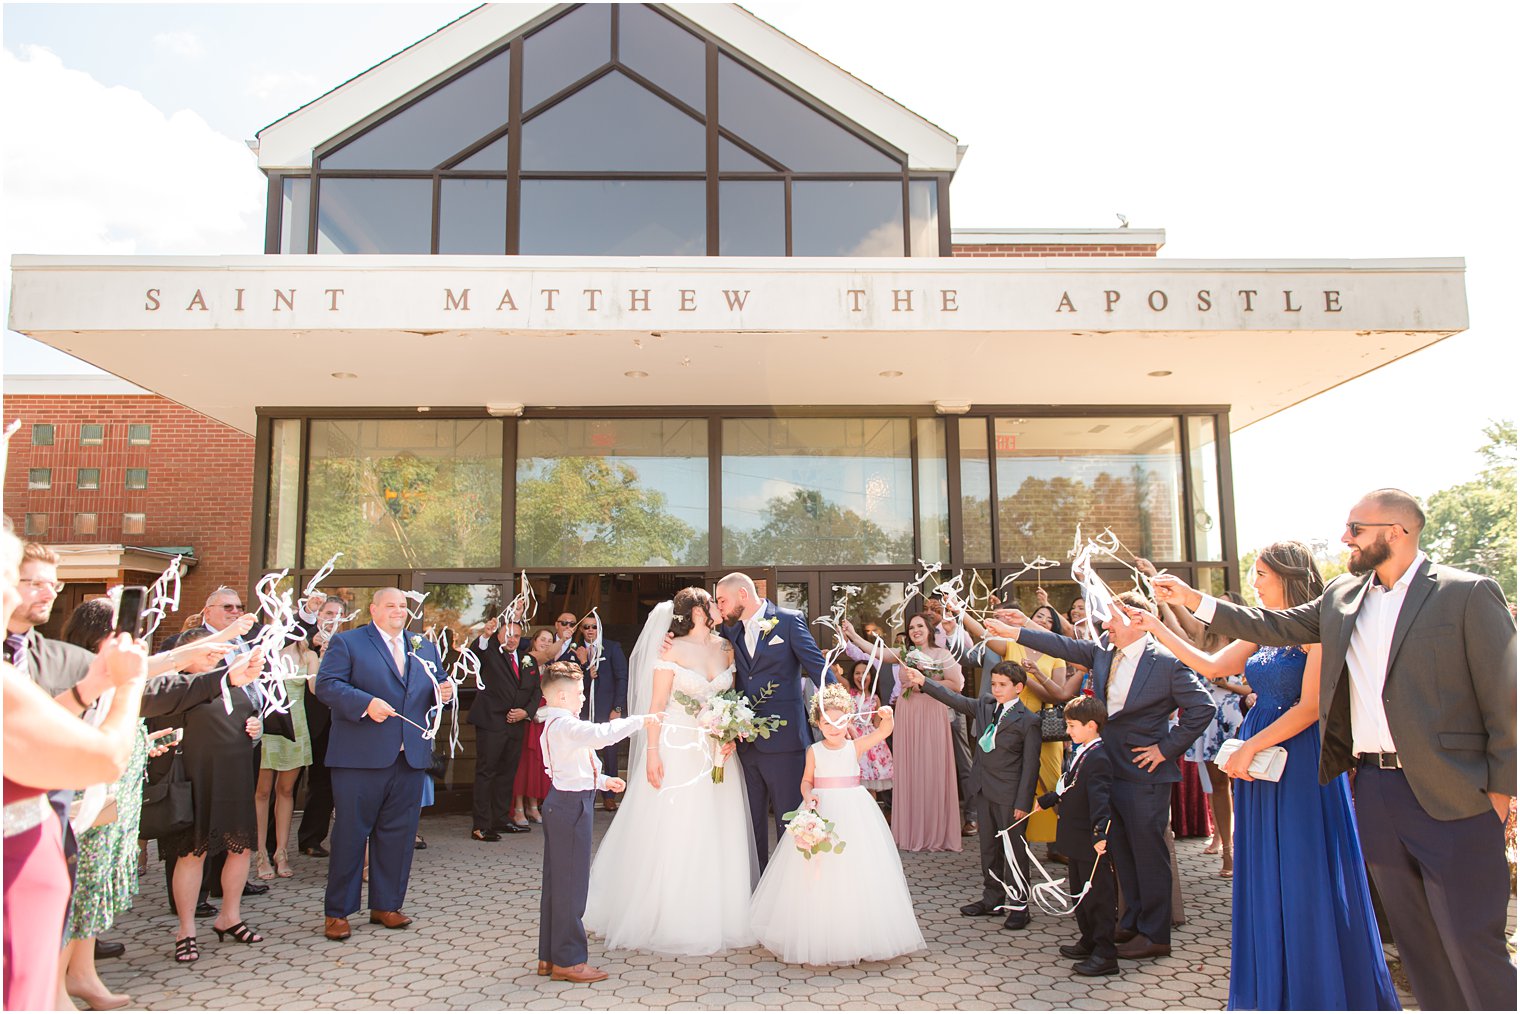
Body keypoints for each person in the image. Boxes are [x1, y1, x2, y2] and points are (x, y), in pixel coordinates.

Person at [1156, 488, 1516, 1011]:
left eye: (1356, 528)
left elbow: (1506, 708)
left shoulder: (1468, 592)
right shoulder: (1343, 597)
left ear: (1398, 531)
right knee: (1418, 945)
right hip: (1374, 789)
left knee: (1469, 943)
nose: (1345, 538)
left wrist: (1500, 801)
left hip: (1454, 795)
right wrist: (1192, 599)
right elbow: (1268, 625)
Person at [1138, 542, 1399, 1009]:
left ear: (1287, 576)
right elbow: (1212, 666)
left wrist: (1248, 748)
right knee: (1266, 872)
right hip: (1258, 760)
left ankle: (1317, 989)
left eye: (1261, 573)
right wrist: (1156, 624)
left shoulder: (1318, 626)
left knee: (1302, 869)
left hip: (1296, 758)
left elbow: (1312, 707)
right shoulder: (1264, 628)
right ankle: (1273, 988)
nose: (1254, 582)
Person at [984, 592, 1213, 960]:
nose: (1105, 625)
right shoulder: (1104, 650)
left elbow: (1203, 706)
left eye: (1112, 620)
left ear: (1138, 621)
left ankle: (1154, 934)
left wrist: (1166, 748)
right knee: (1120, 852)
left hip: (1145, 774)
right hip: (1107, 770)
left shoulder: (1168, 663)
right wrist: (1019, 630)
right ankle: (1131, 921)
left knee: (1147, 854)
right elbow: (1064, 644)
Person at [2, 525, 148, 1012]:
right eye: (20, 578)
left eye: (55, 584)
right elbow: (105, 756)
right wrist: (126, 688)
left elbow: (34, 729)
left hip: (41, 852)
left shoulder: (55, 659)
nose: (46, 591)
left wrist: (92, 688)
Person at [585, 588, 759, 955]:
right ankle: (672, 914)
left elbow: (732, 698)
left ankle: (721, 912)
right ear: (697, 611)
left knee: (719, 827)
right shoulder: (671, 650)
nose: (718, 606)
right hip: (678, 750)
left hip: (718, 752)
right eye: (712, 602)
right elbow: (657, 706)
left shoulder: (727, 647)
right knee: (679, 826)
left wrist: (731, 733)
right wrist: (651, 752)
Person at [749, 685, 924, 965]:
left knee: (855, 868)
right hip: (822, 811)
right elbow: (807, 780)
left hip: (854, 811)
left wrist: (887, 715)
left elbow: (882, 732)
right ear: (819, 723)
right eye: (828, 723)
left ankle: (857, 933)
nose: (834, 728)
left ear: (850, 721)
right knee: (817, 868)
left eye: (840, 722)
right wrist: (808, 797)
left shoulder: (855, 746)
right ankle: (818, 929)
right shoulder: (813, 750)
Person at [315, 588, 453, 942]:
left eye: (403, 606)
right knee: (350, 834)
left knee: (399, 835)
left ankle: (387, 905)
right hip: (360, 757)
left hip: (409, 756)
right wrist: (365, 703)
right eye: (390, 605)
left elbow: (430, 689)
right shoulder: (349, 643)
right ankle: (339, 911)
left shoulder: (422, 645)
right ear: (373, 609)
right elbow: (326, 686)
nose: (398, 611)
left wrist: (443, 690)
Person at [534, 661, 659, 983]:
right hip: (570, 807)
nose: (583, 698)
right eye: (578, 693)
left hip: (566, 800)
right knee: (571, 887)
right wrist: (641, 720)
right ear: (561, 696)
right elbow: (601, 735)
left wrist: (604, 781)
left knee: (558, 884)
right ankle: (570, 960)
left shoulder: (559, 724)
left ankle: (550, 956)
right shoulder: (565, 725)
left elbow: (572, 766)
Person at [905, 659, 1040, 931]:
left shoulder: (1029, 721)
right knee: (989, 849)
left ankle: (1019, 904)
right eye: (994, 684)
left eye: (1003, 685)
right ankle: (993, 898)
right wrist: (923, 681)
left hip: (1010, 795)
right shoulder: (986, 707)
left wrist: (1023, 802)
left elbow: (1030, 765)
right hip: (984, 790)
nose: (997, 689)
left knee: (1013, 850)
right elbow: (954, 699)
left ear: (1019, 688)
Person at [157, 635, 269, 963]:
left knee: (239, 849)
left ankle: (229, 917)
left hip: (235, 776)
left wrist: (256, 727)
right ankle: (186, 930)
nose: (213, 660)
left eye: (215, 654)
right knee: (193, 853)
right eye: (207, 654)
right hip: (194, 779)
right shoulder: (175, 688)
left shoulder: (234, 682)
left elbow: (253, 714)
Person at [712, 573, 833, 867]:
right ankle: (758, 889)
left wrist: (835, 712)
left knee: (788, 822)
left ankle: (791, 891)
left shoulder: (789, 621)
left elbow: (819, 668)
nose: (720, 608)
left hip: (786, 743)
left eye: (722, 600)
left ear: (743, 594)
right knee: (751, 826)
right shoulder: (730, 632)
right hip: (746, 745)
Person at [959, 604, 1081, 860]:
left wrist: (1031, 676)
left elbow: (1057, 695)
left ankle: (1061, 843)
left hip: (1044, 730)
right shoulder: (1010, 646)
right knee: (1014, 788)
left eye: (1048, 621)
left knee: (1051, 785)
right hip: (1008, 728)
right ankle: (1014, 847)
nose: (1044, 622)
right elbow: (983, 634)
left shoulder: (1056, 655)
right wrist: (961, 611)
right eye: (1039, 616)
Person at [842, 613, 963, 853]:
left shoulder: (943, 654)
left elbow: (956, 685)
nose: (915, 630)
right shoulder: (904, 654)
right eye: (911, 627)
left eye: (920, 626)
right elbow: (876, 651)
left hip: (931, 712)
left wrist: (925, 683)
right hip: (908, 713)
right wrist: (853, 634)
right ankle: (910, 831)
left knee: (932, 766)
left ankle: (935, 831)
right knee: (911, 767)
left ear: (929, 629)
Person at [1032, 695, 1118, 978]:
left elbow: (1101, 798)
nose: (1067, 731)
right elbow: (1069, 784)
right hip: (1074, 837)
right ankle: (1088, 939)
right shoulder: (1082, 751)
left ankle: (1105, 952)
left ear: (1091, 726)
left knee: (1098, 896)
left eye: (1071, 725)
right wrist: (1048, 799)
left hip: (1090, 841)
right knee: (1080, 893)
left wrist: (1099, 833)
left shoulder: (1100, 757)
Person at [465, 616, 538, 840]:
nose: (512, 640)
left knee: (507, 773)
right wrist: (485, 635)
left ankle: (501, 819)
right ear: (498, 636)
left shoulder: (528, 660)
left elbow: (536, 691)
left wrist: (526, 712)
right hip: (491, 722)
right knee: (487, 772)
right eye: (507, 635)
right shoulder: (491, 655)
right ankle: (481, 825)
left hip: (517, 724)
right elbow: (476, 652)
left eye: (516, 636)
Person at [254, 633, 316, 879]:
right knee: (261, 792)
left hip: (296, 726)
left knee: (286, 791)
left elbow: (316, 688)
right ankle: (260, 853)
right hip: (266, 725)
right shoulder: (264, 652)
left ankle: (281, 852)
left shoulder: (308, 655)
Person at [298, 595, 348, 858]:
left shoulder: (345, 644)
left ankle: (311, 838)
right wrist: (310, 643)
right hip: (297, 720)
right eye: (329, 613)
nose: (333, 618)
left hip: (330, 723)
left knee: (323, 781)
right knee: (287, 785)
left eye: (338, 614)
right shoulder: (301, 637)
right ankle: (272, 845)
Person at [573, 611, 629, 812]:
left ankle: (609, 796)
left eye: (594, 626)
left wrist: (618, 708)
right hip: (584, 710)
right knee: (585, 753)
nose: (590, 630)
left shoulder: (613, 647)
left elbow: (622, 678)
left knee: (610, 753)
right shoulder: (576, 651)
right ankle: (586, 793)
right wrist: (584, 665)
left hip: (607, 710)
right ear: (581, 629)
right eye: (586, 627)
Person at [512, 627, 559, 826]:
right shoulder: (526, 661)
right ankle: (518, 807)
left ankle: (533, 806)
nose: (546, 643)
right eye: (543, 639)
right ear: (534, 641)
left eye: (550, 640)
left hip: (543, 719)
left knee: (538, 764)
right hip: (527, 719)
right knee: (524, 764)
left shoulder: (550, 667)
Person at [845, 658, 893, 797]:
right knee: (852, 783)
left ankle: (871, 815)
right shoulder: (849, 693)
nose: (861, 677)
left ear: (871, 676)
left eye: (865, 673)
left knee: (870, 785)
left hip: (870, 741)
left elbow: (877, 725)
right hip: (852, 738)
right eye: (857, 673)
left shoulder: (875, 698)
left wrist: (887, 717)